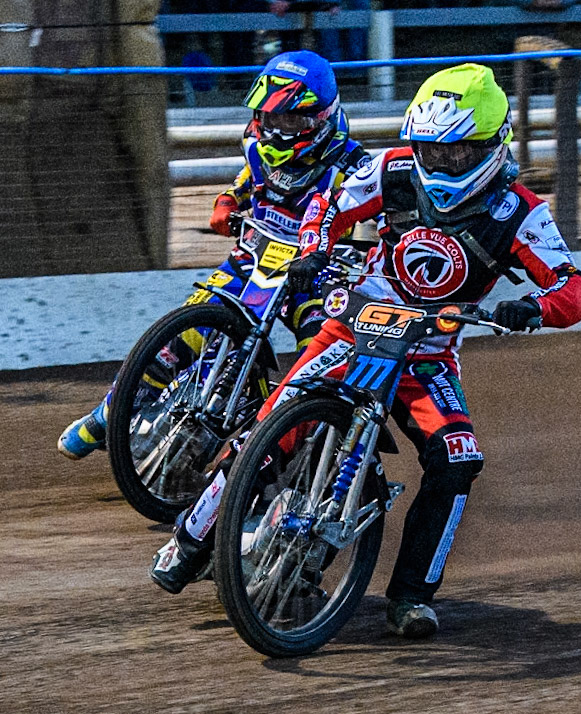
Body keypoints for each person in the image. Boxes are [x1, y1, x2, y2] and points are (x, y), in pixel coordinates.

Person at [149, 64, 581, 640]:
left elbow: (573, 286)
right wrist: (312, 250)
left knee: (457, 457)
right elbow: (328, 208)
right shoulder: (392, 170)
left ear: (492, 144)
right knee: (271, 426)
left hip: (425, 355)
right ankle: (190, 537)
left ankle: (411, 595)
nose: (440, 162)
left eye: (457, 153)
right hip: (353, 325)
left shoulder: (520, 212)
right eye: (430, 149)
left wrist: (536, 308)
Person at [59, 51, 368, 461]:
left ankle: (304, 459)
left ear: (319, 118)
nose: (276, 130)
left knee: (322, 364)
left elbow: (375, 215)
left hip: (313, 280)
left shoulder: (353, 164)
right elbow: (248, 178)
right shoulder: (258, 147)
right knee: (173, 339)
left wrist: (361, 246)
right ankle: (108, 415)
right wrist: (226, 201)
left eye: (289, 120)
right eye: (269, 118)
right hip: (249, 261)